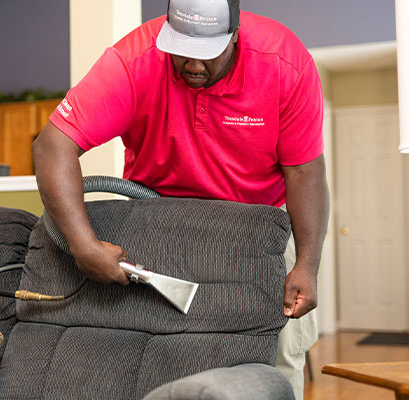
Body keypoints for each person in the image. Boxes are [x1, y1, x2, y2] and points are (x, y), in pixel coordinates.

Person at [31, 0, 329, 399]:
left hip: (260, 231)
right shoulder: (134, 60)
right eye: (181, 50)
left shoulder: (283, 62)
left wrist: (307, 265)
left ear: (234, 36)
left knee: (278, 356)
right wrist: (82, 245)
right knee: (161, 352)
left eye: (207, 54)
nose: (192, 65)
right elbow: (53, 145)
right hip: (161, 224)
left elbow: (305, 172)